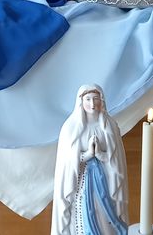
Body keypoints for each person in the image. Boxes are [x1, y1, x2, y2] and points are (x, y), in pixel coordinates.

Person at [52, 84, 129, 235]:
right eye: (88, 99)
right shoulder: (70, 128)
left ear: (102, 100)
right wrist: (86, 154)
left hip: (104, 182)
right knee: (86, 210)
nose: (92, 104)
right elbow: (66, 162)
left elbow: (117, 159)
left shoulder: (110, 126)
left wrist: (100, 154)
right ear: (81, 101)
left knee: (103, 212)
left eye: (95, 99)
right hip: (81, 182)